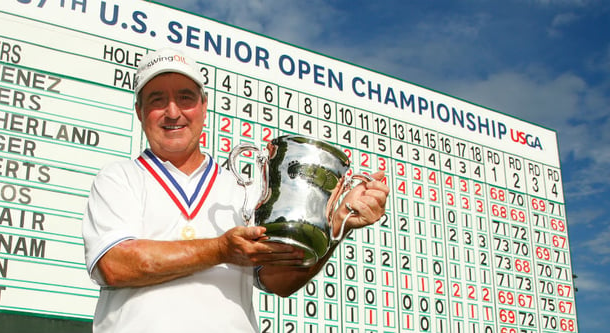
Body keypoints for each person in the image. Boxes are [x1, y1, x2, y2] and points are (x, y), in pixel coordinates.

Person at [82, 48, 389, 332]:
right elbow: (115, 265)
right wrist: (221, 250)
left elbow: (278, 281)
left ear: (204, 107)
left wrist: (338, 223)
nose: (172, 112)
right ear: (139, 111)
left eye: (185, 98)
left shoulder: (246, 190)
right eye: (157, 100)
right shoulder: (118, 178)